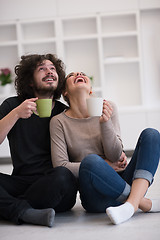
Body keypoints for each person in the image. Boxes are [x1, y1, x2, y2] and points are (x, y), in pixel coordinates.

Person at [50, 71, 160, 225]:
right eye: (71, 75)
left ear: (90, 89)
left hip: (122, 181)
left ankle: (131, 205)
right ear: (65, 92)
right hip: (95, 196)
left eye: (82, 73)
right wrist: (106, 166)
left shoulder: (108, 107)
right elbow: (60, 165)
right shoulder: (58, 122)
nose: (79, 74)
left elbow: (115, 155)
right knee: (91, 161)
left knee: (152, 134)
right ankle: (142, 202)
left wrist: (105, 123)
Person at [0, 54, 77, 228]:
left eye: (52, 69)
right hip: (21, 182)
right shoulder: (13, 106)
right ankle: (25, 211)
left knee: (63, 176)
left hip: (54, 184)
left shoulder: (65, 112)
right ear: (30, 81)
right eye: (42, 69)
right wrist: (16, 114)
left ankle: (10, 206)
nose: (49, 72)